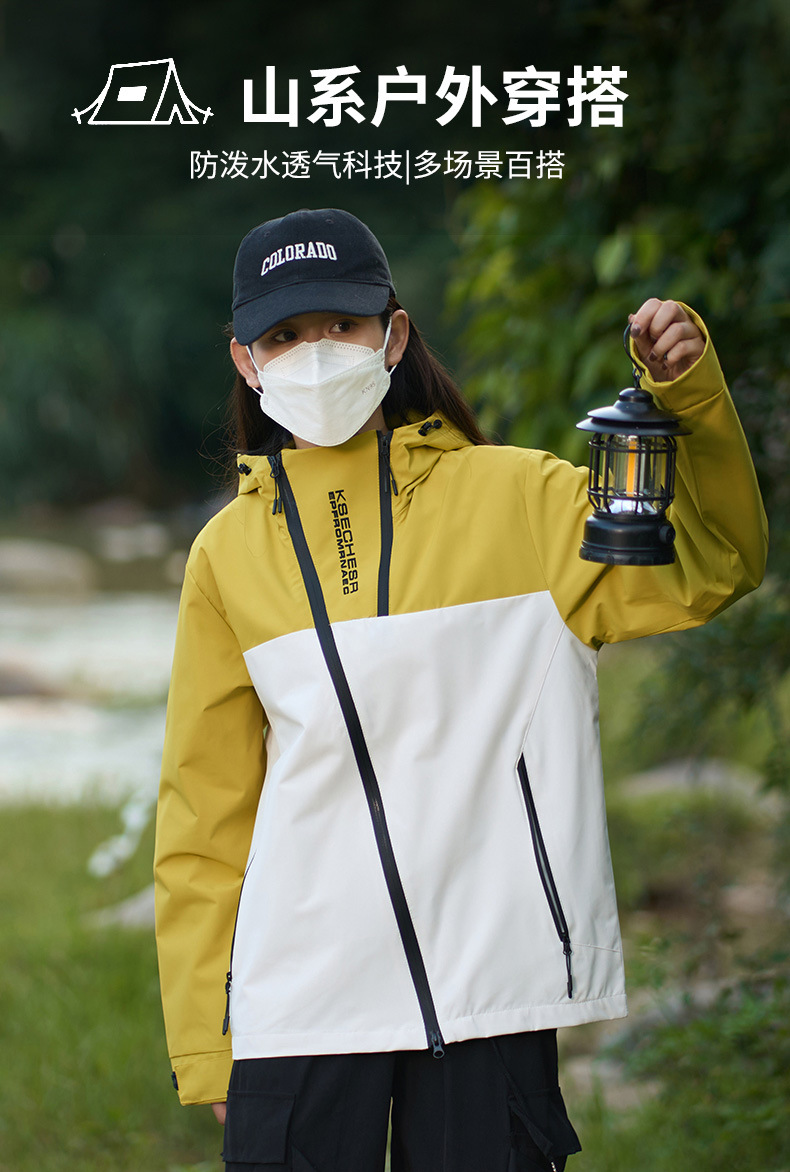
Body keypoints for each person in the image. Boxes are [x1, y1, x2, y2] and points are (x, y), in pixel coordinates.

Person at [154, 207, 768, 1172]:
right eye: (286, 335)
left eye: (343, 325)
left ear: (393, 335)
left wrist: (688, 400)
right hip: (297, 1002)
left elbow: (714, 561)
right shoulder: (225, 554)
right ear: (246, 361)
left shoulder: (525, 498)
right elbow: (205, 811)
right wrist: (205, 1036)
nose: (318, 353)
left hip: (494, 987)